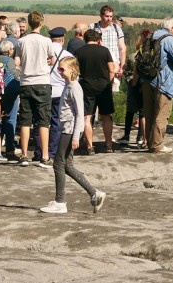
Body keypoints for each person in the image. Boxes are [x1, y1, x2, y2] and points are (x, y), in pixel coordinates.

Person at [40, 56, 106, 214]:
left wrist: (76, 136)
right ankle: (94, 194)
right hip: (66, 129)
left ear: (72, 70)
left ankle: (60, 202)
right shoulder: (68, 85)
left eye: (62, 69)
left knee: (58, 163)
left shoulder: (75, 87)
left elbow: (80, 113)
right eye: (59, 69)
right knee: (67, 165)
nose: (59, 71)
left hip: (69, 131)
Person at [139, 17, 173, 154]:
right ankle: (157, 145)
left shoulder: (152, 36)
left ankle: (150, 143)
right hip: (163, 82)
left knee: (149, 113)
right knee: (162, 114)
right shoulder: (169, 39)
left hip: (148, 79)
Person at [16, 11, 56, 167]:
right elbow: (51, 59)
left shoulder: (22, 41)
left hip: (26, 82)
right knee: (43, 121)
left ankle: (24, 155)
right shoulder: (46, 41)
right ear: (42, 23)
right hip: (43, 82)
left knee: (25, 121)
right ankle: (45, 156)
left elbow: (18, 61)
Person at [75, 29, 115, 154]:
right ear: (98, 39)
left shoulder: (79, 52)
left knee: (88, 118)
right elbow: (111, 69)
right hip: (104, 87)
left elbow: (75, 71)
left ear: (85, 39)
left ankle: (90, 146)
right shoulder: (104, 50)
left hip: (86, 88)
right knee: (106, 117)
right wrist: (109, 83)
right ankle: (108, 145)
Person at [32, 26, 69, 162]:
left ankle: (39, 151)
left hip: (41, 90)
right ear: (62, 39)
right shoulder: (67, 55)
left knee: (39, 122)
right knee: (55, 123)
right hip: (59, 92)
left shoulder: (41, 52)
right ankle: (52, 152)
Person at [118, 29, 151, 148]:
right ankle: (141, 138)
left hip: (134, 84)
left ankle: (126, 136)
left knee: (130, 111)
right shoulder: (152, 55)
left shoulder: (133, 57)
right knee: (143, 113)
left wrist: (132, 83)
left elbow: (129, 70)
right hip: (146, 85)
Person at [0, 39, 21, 159]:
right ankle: (10, 148)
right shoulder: (9, 60)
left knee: (0, 119)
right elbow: (13, 72)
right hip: (9, 92)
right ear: (9, 50)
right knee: (11, 119)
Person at [92, 5, 126, 93]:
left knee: (112, 95)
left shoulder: (116, 28)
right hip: (97, 67)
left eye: (111, 16)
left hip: (114, 67)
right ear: (101, 15)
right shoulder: (92, 28)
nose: (109, 19)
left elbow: (122, 48)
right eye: (107, 16)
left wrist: (122, 66)